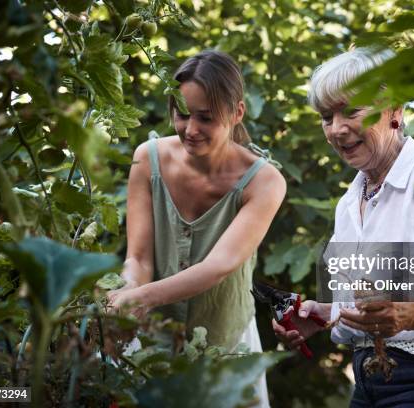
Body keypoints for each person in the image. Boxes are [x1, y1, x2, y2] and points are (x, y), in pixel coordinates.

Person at [272, 48, 414, 407]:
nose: (337, 129)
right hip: (368, 381)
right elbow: (371, 305)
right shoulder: (350, 202)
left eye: (351, 111)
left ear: (394, 110)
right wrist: (326, 315)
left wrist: (411, 313)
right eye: (326, 117)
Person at [109, 50, 286, 408]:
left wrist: (140, 298)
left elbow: (219, 265)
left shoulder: (264, 182)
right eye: (182, 114)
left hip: (227, 343)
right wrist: (128, 287)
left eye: (205, 118)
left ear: (236, 112)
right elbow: (139, 256)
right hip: (154, 344)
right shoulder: (148, 158)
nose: (191, 129)